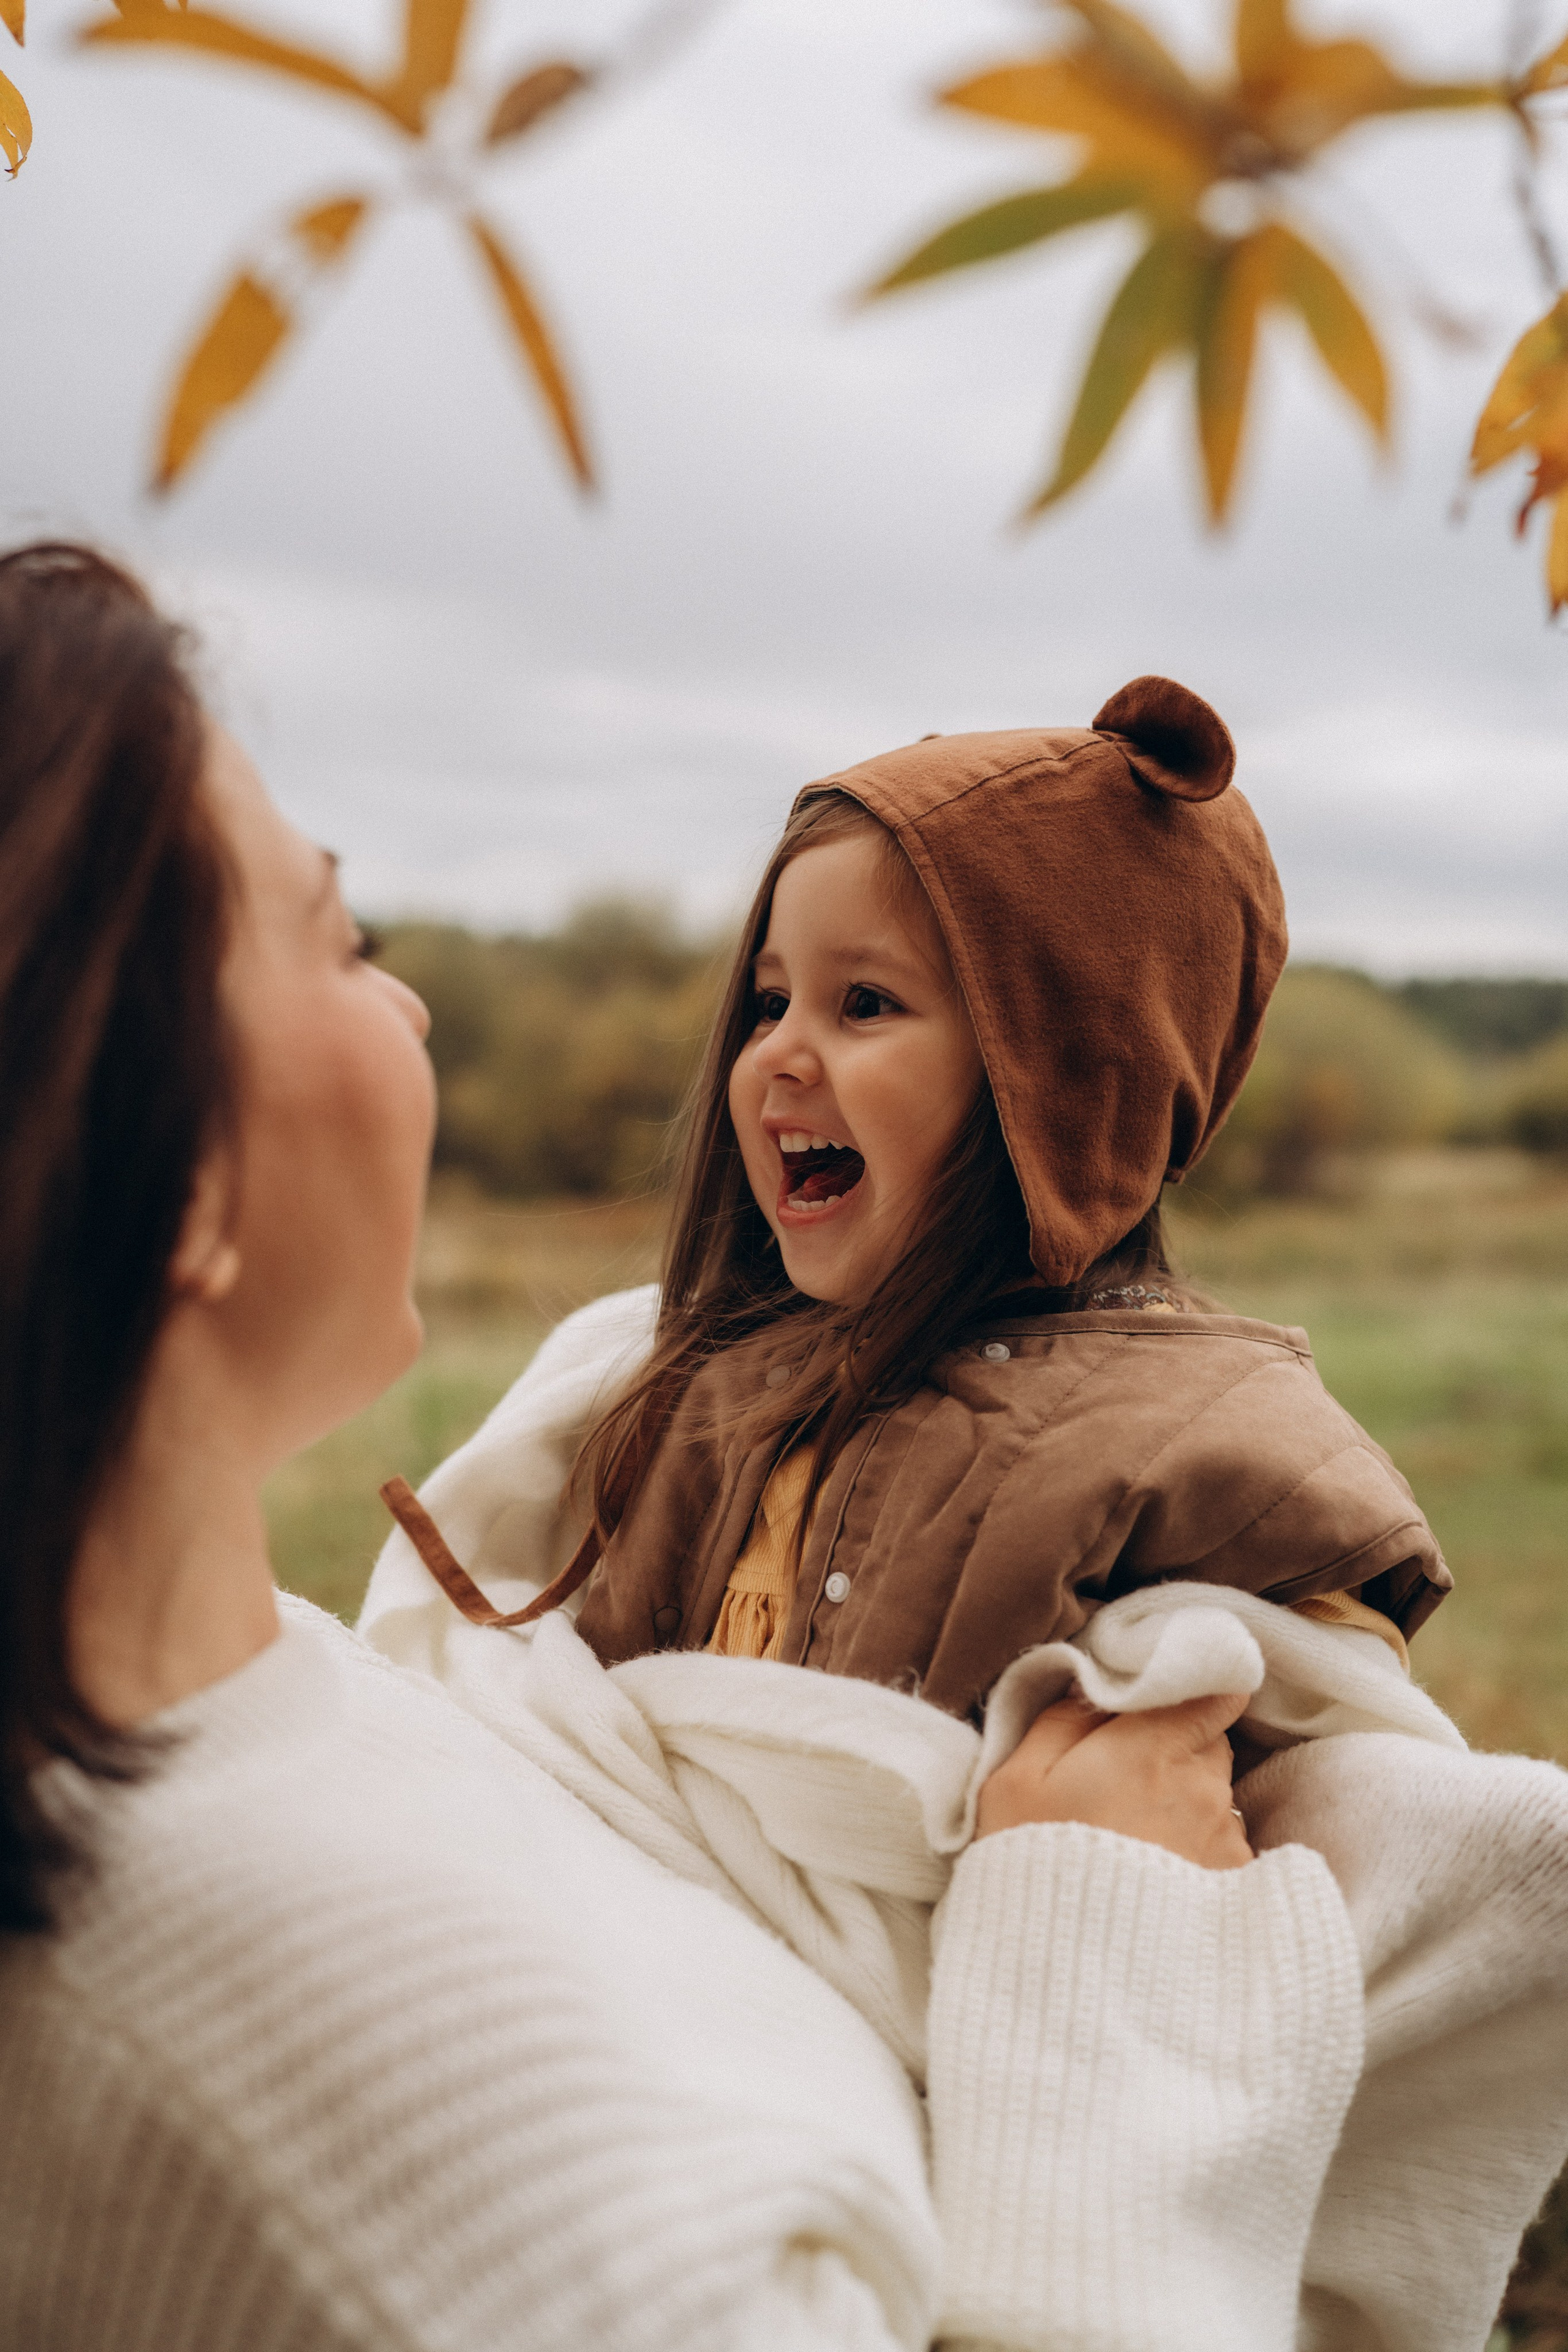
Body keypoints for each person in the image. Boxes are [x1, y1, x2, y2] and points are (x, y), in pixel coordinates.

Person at [0, 542, 1374, 2352]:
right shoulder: (452, 2226)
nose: (408, 1004)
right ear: (176, 1175)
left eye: (866, 1004)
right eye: (342, 937)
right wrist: (1104, 2007)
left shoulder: (232, 1704)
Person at [363, 679, 1568, 2351]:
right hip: (671, 2080)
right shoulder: (699, 1390)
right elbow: (578, 1732)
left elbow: (1317, 1749)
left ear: (1062, 1076)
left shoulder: (1200, 1430)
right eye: (770, 997)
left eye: (867, 1004)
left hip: (1001, 2099)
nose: (781, 1051)